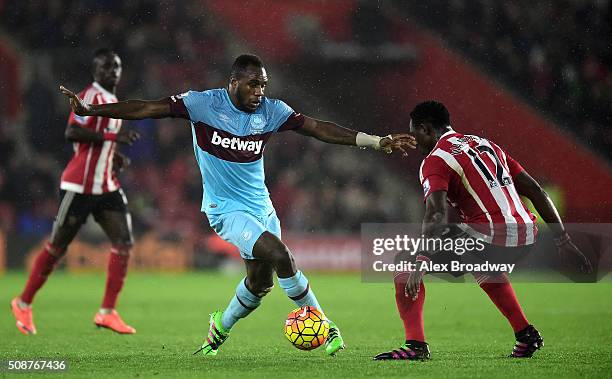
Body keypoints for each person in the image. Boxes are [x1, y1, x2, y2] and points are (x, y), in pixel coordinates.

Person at [59, 54, 416, 356]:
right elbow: (147, 107)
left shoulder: (272, 111)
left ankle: (219, 327)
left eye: (263, 85)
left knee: (259, 284)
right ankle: (326, 325)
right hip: (225, 210)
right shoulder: (203, 104)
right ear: (233, 82)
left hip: (262, 208)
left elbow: (319, 127)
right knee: (282, 256)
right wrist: (95, 108)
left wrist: (375, 141)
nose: (259, 93)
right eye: (252, 85)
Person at [374, 101, 592, 360]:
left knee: (404, 262)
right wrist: (563, 240)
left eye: (415, 134)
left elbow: (436, 213)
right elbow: (536, 191)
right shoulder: (487, 145)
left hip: (492, 235)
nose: (414, 142)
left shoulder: (435, 159)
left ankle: (415, 347)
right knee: (480, 260)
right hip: (528, 233)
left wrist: (421, 259)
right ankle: (526, 335)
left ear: (427, 129)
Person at [11, 49, 141, 335]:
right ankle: (23, 302)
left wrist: (113, 154)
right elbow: (72, 133)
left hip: (106, 184)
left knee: (124, 242)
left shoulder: (112, 100)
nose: (112, 71)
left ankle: (107, 311)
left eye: (116, 66)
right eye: (105, 67)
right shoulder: (91, 97)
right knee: (57, 247)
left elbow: (93, 142)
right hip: (80, 185)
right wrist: (111, 137)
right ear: (95, 71)